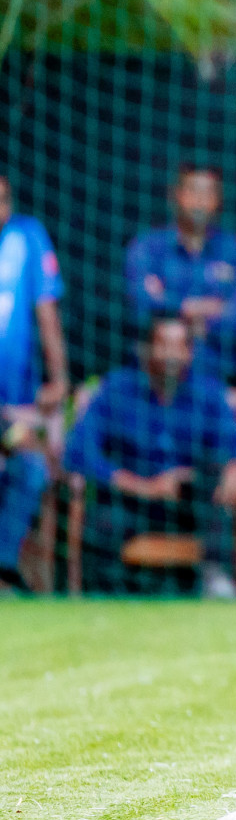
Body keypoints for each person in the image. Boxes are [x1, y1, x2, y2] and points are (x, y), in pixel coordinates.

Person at [64, 316, 236, 597]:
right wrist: (145, 487)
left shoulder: (210, 394)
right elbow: (78, 452)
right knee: (101, 524)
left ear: (190, 352)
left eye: (179, 346)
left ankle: (216, 580)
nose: (172, 354)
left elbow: (233, 447)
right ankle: (103, 602)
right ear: (147, 349)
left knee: (216, 481)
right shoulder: (116, 390)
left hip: (190, 506)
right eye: (163, 344)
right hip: (131, 502)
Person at [126, 165, 236, 383]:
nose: (200, 200)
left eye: (208, 192)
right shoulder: (148, 248)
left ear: (219, 200)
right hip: (151, 381)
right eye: (192, 190)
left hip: (221, 379)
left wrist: (169, 306)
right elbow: (141, 308)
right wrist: (196, 308)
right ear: (176, 194)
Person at [0, 175, 68, 591]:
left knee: (32, 464)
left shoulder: (28, 236)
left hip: (14, 405)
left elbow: (47, 312)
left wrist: (58, 377)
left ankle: (4, 568)